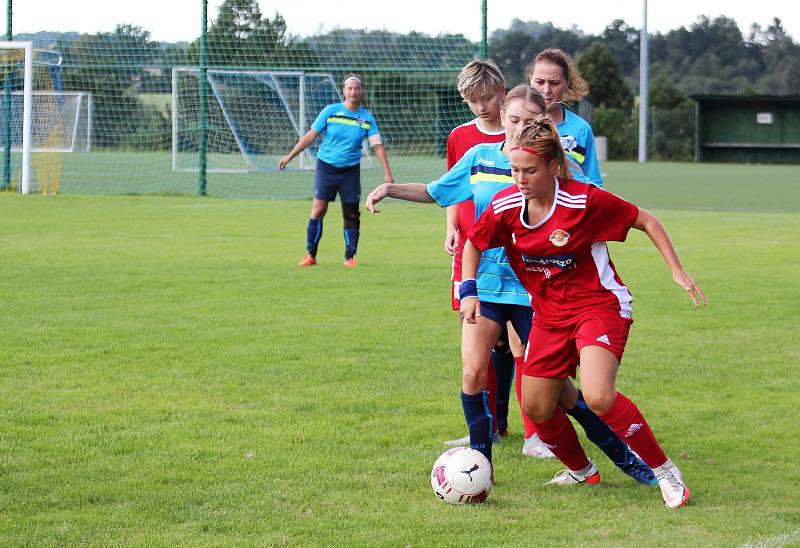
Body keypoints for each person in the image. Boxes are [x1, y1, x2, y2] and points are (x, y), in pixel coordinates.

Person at [365, 86, 656, 487]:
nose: (518, 127)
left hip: (537, 289)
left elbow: (592, 204)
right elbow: (437, 191)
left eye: (526, 121)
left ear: (541, 122)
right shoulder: (480, 158)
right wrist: (389, 189)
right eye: (512, 119)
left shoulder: (557, 166)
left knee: (562, 392)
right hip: (485, 283)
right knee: (472, 372)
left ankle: (623, 457)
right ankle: (479, 467)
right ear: (502, 118)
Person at [460, 119, 706, 508]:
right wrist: (468, 289)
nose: (520, 179)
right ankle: (581, 469)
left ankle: (665, 471)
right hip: (549, 315)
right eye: (514, 170)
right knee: (537, 406)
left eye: (529, 170)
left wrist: (676, 269)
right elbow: (474, 242)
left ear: (553, 166)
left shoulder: (583, 201)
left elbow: (645, 219)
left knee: (598, 395)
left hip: (599, 305)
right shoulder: (505, 206)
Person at [441, 60, 514, 448]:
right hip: (470, 250)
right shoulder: (459, 137)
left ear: (502, 91)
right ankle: (485, 428)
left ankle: (514, 423)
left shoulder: (519, 131)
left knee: (511, 341)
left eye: (486, 98)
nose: (481, 107)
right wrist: (451, 226)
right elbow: (454, 187)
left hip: (513, 253)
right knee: (476, 334)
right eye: (472, 101)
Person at [278, 74, 394, 267]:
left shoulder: (366, 118)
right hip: (327, 167)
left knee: (351, 213)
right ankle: (310, 255)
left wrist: (387, 173)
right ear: (344, 90)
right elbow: (310, 136)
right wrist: (290, 156)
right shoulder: (330, 111)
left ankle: (350, 257)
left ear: (361, 91)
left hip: (350, 171)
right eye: (349, 88)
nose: (353, 92)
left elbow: (378, 146)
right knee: (318, 209)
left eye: (357, 88)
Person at [527, 48, 602, 187]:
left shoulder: (581, 129)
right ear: (530, 79)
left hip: (569, 207)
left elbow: (594, 184)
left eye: (554, 83)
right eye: (540, 82)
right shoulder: (517, 122)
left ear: (566, 84)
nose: (546, 90)